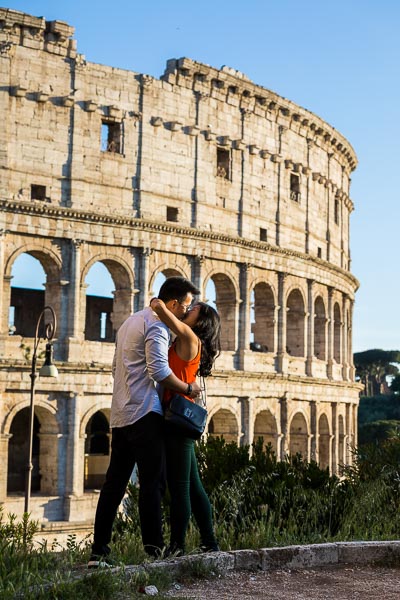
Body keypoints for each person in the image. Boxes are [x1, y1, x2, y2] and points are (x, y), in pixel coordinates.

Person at [88, 277, 201, 567]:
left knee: (114, 484)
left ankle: (99, 551)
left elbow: (115, 367)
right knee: (153, 484)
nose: (185, 312)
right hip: (145, 414)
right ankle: (154, 552)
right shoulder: (157, 325)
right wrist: (188, 389)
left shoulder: (129, 322)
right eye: (185, 306)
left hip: (121, 413)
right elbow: (159, 370)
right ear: (173, 303)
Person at [150, 296, 221, 555]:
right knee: (193, 484)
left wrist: (160, 304)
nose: (187, 310)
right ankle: (209, 543)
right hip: (180, 417)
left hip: (178, 418)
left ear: (200, 321)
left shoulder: (190, 338)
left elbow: (160, 310)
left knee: (179, 486)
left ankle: (178, 546)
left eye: (192, 310)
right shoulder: (185, 340)